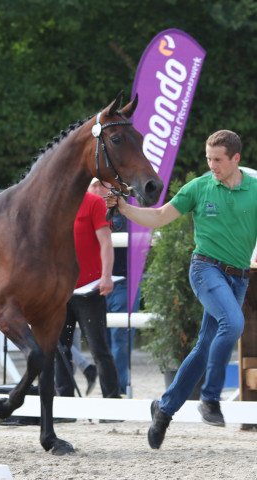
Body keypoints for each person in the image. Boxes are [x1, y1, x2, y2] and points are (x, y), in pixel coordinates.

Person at [106, 130, 257, 449]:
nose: (212, 165)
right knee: (234, 324)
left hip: (239, 277)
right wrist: (124, 208)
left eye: (218, 160)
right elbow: (160, 216)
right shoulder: (200, 188)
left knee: (204, 348)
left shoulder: (255, 189)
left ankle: (164, 409)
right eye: (208, 159)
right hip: (205, 269)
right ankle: (210, 398)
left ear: (236, 159)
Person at [55, 189, 121, 402]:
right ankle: (64, 402)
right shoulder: (57, 204)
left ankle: (111, 402)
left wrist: (106, 275)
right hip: (61, 290)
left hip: (89, 289)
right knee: (60, 348)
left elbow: (106, 243)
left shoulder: (93, 203)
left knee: (98, 347)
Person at [89, 177, 139, 396]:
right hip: (93, 284)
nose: (98, 188)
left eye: (102, 184)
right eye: (94, 185)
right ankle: (109, 391)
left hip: (123, 282)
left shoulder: (124, 212)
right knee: (99, 340)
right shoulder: (84, 211)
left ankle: (116, 390)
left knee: (119, 337)